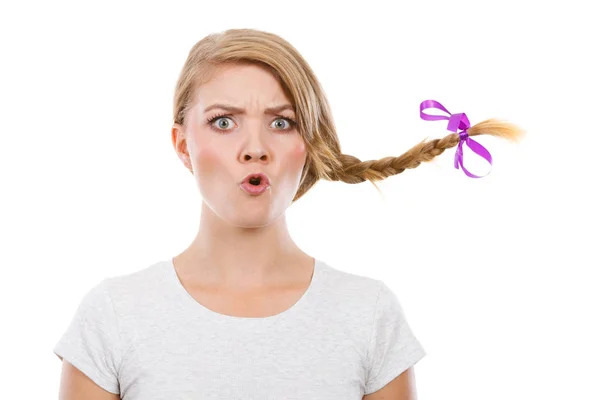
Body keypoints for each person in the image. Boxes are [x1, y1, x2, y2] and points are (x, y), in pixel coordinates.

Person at [53, 28, 524, 399]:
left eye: (282, 123)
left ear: (309, 144)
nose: (255, 148)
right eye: (223, 122)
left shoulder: (369, 315)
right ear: (183, 145)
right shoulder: (113, 316)